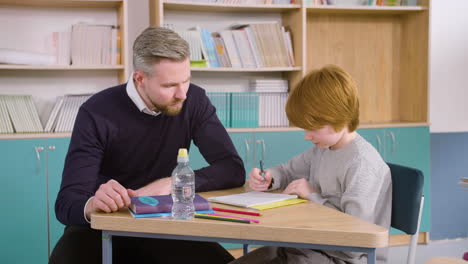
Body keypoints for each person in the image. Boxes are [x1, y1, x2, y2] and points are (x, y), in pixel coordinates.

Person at [49, 26, 245, 264]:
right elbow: (67, 202)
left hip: (164, 224)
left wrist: (172, 183)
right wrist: (92, 204)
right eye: (170, 85)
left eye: (186, 80)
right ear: (140, 78)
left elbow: (232, 169)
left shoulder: (193, 100)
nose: (182, 93)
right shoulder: (96, 111)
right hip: (105, 226)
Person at [231, 65, 392, 264]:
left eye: (313, 128)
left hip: (342, 257)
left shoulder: (362, 164)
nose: (307, 136)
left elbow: (355, 236)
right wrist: (270, 177)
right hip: (309, 245)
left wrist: (312, 195)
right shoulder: (323, 149)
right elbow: (288, 171)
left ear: (338, 117)